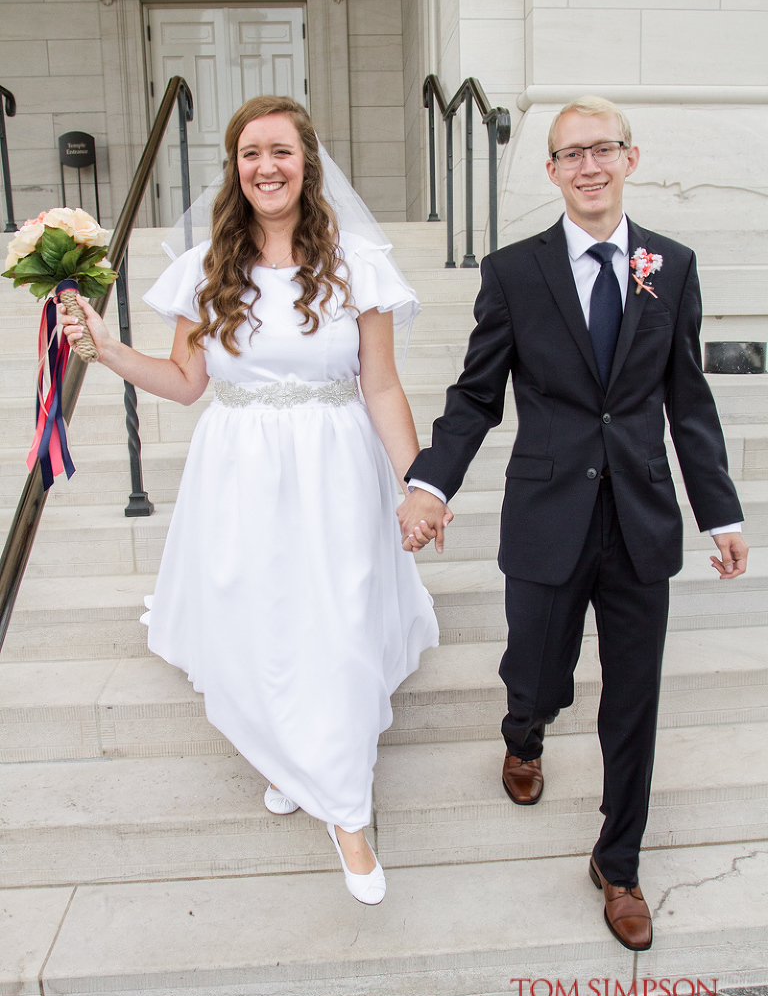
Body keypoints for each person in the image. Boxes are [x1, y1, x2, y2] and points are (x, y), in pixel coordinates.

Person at [60, 95, 440, 906]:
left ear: (308, 160)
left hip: (337, 467)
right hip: (238, 471)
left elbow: (380, 384)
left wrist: (420, 481)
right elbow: (187, 383)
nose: (266, 167)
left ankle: (346, 812)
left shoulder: (356, 263)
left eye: (281, 151)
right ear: (234, 167)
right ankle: (288, 757)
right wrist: (106, 349)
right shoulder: (207, 268)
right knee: (262, 620)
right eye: (249, 154)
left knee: (336, 623)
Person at [397, 96, 748, 950]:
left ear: (631, 158)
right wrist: (430, 485)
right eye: (571, 154)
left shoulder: (671, 265)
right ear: (551, 172)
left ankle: (619, 862)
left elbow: (687, 401)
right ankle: (525, 735)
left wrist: (720, 511)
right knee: (538, 671)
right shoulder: (516, 272)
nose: (588, 166)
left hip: (640, 521)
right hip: (547, 515)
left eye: (603, 149)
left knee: (634, 701)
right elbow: (478, 395)